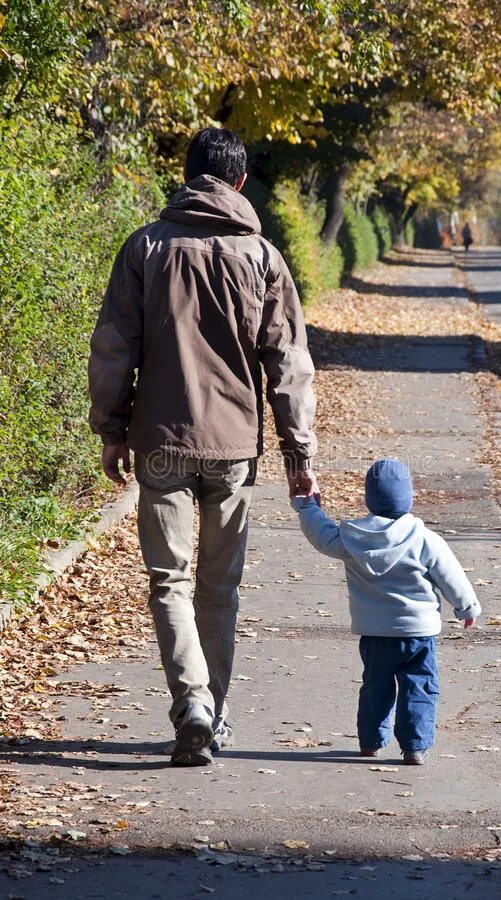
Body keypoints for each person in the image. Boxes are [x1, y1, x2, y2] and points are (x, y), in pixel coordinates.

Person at [88, 128, 319, 767]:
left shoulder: (146, 247)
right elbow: (288, 363)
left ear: (187, 176)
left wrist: (112, 429)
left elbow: (114, 347)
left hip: (161, 440)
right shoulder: (262, 257)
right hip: (234, 447)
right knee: (220, 587)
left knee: (170, 580)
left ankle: (191, 702)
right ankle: (212, 714)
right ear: (240, 182)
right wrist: (299, 455)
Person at [292, 459, 480, 764]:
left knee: (375, 687)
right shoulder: (424, 539)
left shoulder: (352, 538)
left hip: (375, 633)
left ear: (369, 498)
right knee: (419, 686)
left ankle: (371, 741)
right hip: (418, 634)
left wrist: (308, 506)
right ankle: (415, 746)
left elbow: (321, 535)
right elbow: (451, 576)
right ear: (409, 497)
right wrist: (466, 607)